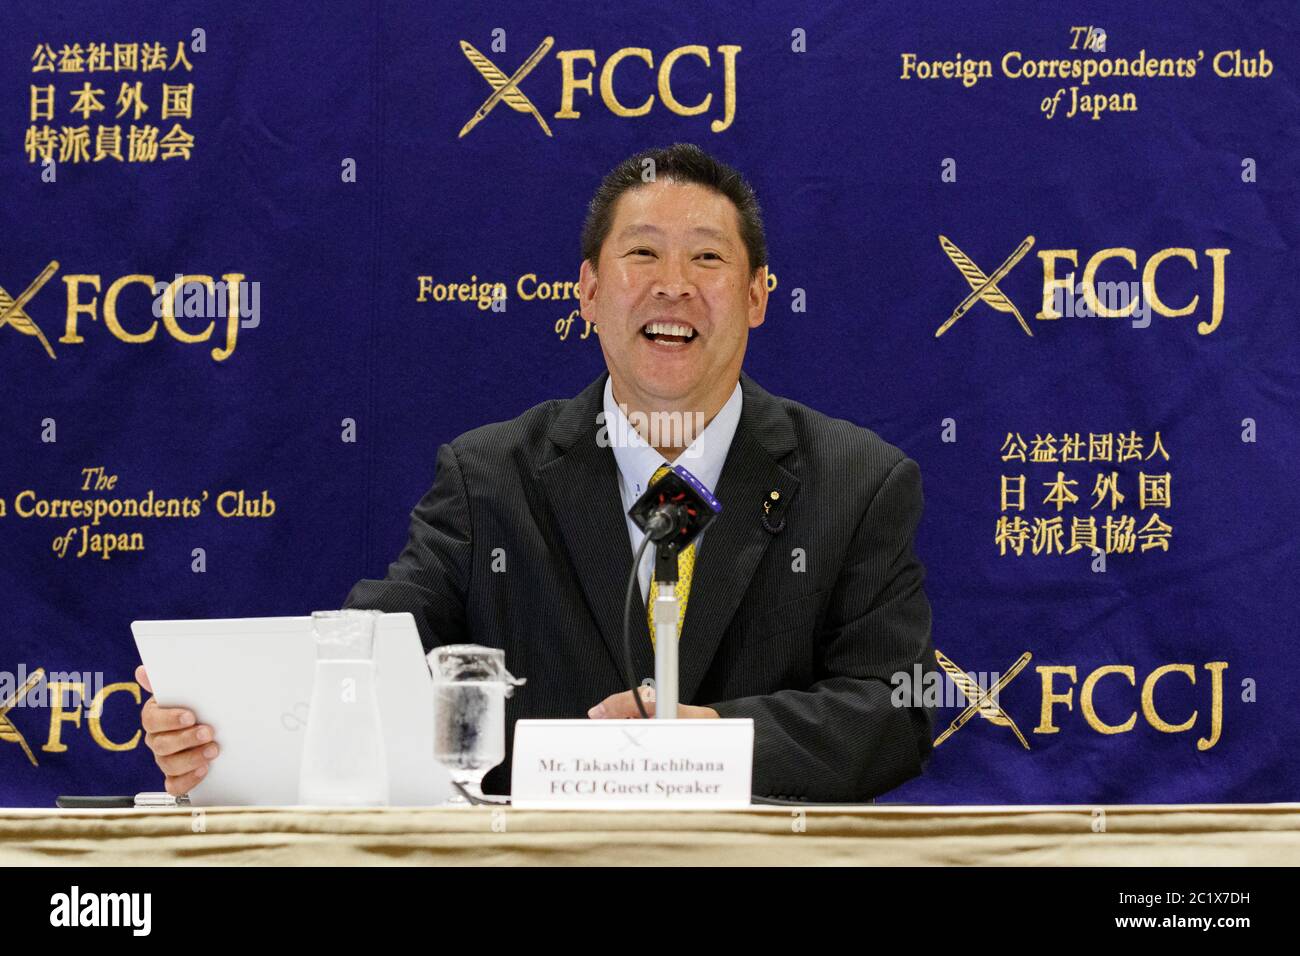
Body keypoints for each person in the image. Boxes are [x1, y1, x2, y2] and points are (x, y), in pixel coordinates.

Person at [138, 143, 939, 802]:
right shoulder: (491, 477)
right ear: (588, 291)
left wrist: (712, 743)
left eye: (707, 257)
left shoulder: (855, 480)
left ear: (759, 296)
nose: (673, 284)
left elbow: (892, 712)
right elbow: (386, 650)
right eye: (642, 253)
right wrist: (223, 738)